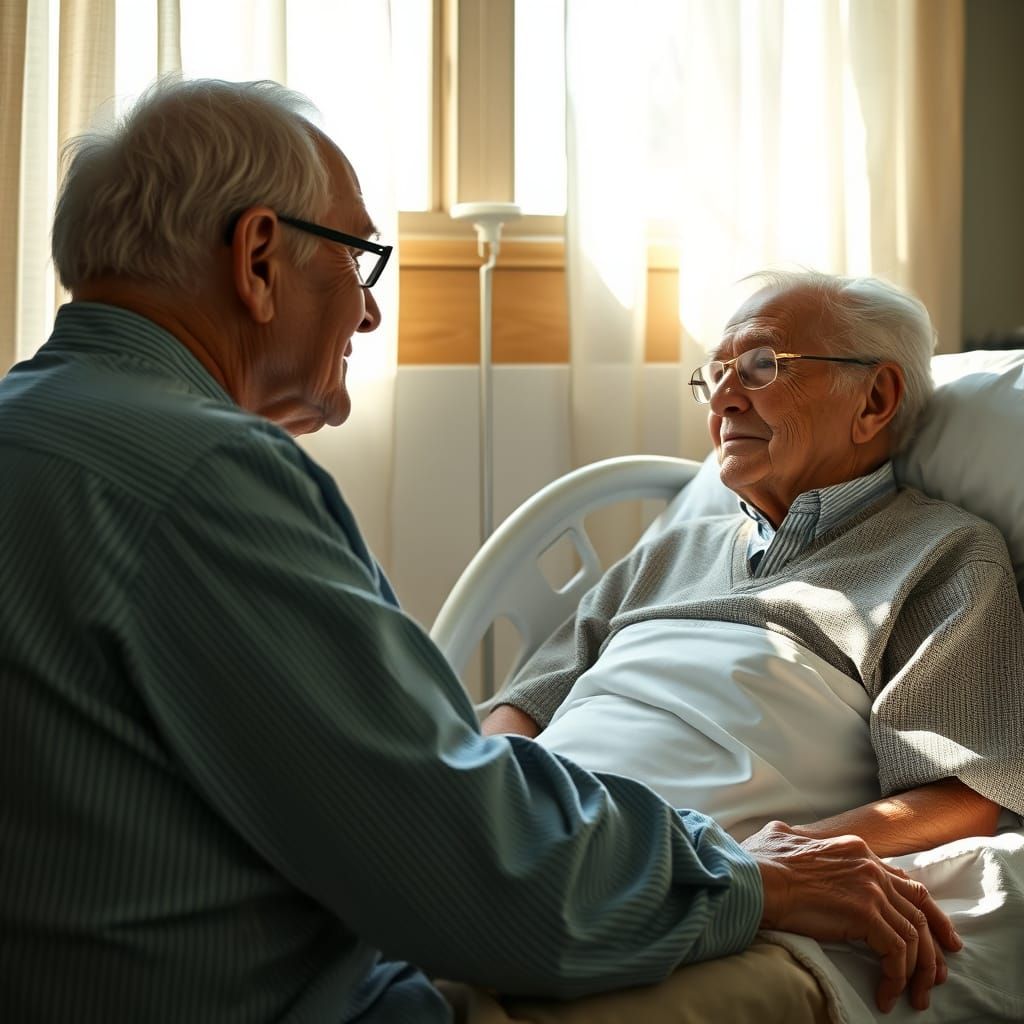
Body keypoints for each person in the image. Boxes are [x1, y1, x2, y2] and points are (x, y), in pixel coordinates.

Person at [0, 79, 957, 1024]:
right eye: (358, 261)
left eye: (762, 370)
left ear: (875, 402)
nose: (369, 314)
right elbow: (460, 859)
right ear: (258, 257)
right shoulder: (211, 476)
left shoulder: (33, 429)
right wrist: (742, 877)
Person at [483, 270, 1024, 936]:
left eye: (763, 366)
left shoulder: (940, 557)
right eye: (715, 376)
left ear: (875, 399)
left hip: (679, 880)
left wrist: (753, 869)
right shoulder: (667, 552)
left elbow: (961, 794)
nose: (725, 400)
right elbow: (523, 704)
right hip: (520, 843)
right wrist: (480, 807)